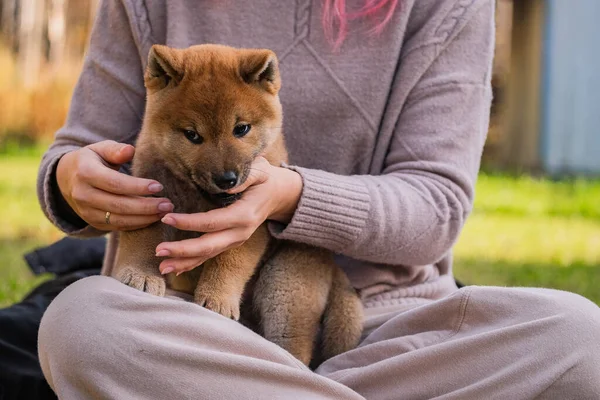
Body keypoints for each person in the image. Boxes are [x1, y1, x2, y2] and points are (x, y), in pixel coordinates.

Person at [36, 0, 600, 399]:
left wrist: (289, 195)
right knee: (82, 326)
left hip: (383, 330)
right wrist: (70, 180)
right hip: (183, 322)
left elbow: (438, 205)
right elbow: (77, 149)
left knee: (578, 335)